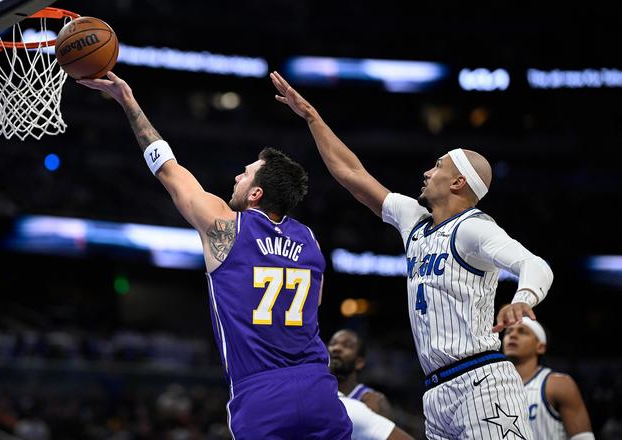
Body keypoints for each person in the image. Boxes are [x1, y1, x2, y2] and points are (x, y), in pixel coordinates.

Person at [271, 71, 554, 439]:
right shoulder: (414, 220)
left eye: (437, 167)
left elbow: (534, 264)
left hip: (481, 380)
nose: (427, 171)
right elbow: (352, 173)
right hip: (435, 391)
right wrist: (312, 117)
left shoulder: (473, 228)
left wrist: (523, 299)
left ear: (458, 182)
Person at [78, 72, 352, 439]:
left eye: (245, 174)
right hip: (320, 389)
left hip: (261, 393)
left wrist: (128, 101)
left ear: (255, 194)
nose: (238, 177)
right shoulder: (310, 240)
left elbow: (168, 170)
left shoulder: (225, 224)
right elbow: (312, 305)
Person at [503, 317, 595, 440]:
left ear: (540, 347)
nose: (513, 335)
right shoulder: (494, 387)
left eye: (522, 332)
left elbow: (583, 438)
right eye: (508, 332)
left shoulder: (558, 384)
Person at [328, 329, 394, 418]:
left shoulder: (374, 402)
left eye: (347, 345)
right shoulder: (313, 390)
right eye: (333, 344)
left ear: (359, 363)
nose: (336, 348)